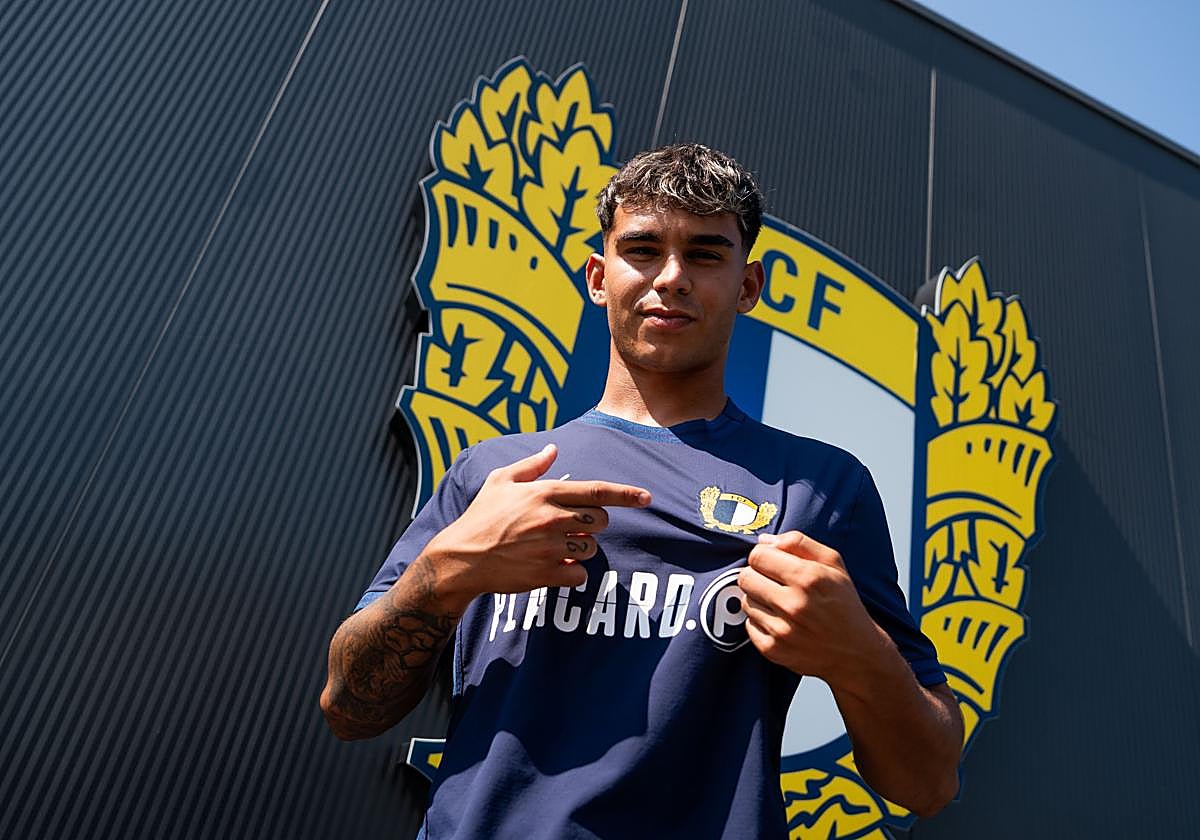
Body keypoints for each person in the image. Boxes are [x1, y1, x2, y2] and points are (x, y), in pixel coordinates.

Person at [320, 143, 963, 838]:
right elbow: (349, 709)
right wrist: (445, 575)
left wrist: (858, 654)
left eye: (706, 254)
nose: (672, 278)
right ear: (599, 276)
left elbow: (925, 784)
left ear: (748, 286)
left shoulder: (820, 489)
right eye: (644, 249)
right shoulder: (493, 475)